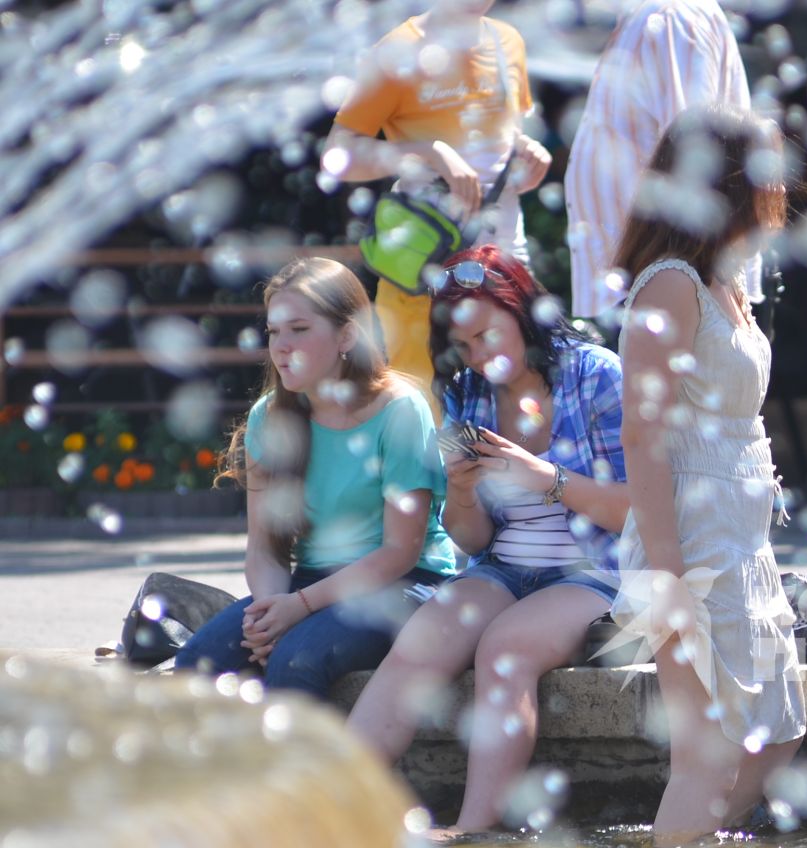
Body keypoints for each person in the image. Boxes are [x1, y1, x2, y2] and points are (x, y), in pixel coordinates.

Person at [348, 246, 631, 832]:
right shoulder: (466, 394)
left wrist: (545, 478)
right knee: (417, 647)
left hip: (595, 572)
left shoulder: (597, 374)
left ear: (521, 309)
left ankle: (474, 834)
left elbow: (638, 513)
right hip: (500, 568)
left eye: (487, 335)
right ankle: (331, 811)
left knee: (504, 650)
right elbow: (469, 536)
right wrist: (464, 491)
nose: (479, 356)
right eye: (465, 345)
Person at [611, 109, 803, 848]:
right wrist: (668, 581)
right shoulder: (670, 285)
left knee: (777, 732)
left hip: (740, 532)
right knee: (706, 754)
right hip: (689, 536)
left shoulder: (725, 280)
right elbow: (642, 435)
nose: (781, 188)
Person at [175, 257, 457, 698]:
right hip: (307, 583)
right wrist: (269, 615)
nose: (281, 345)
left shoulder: (400, 409)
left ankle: (308, 770)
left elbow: (400, 553)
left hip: (402, 585)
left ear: (347, 334)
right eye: (273, 332)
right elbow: (264, 548)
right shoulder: (269, 414)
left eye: (299, 329)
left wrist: (298, 608)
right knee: (195, 665)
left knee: (297, 660)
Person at [322, 0, 551, 393]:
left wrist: (529, 155)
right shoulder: (397, 51)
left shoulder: (507, 41)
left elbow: (500, 141)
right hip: (423, 276)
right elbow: (337, 158)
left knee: (513, 412)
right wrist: (428, 152)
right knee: (427, 414)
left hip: (506, 270)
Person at [564, 0, 758, 325]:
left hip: (665, 288)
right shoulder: (651, 16)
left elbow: (695, 159)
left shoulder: (670, 17)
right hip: (649, 282)